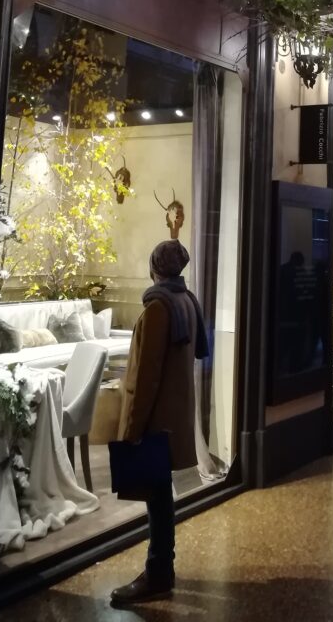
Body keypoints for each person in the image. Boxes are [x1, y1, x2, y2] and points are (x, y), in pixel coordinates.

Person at [111, 240, 209, 606]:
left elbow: (146, 376)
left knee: (156, 498)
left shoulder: (158, 308)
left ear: (155, 267)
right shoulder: (187, 301)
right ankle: (161, 568)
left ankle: (158, 573)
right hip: (176, 417)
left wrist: (133, 430)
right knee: (161, 495)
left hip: (155, 422)